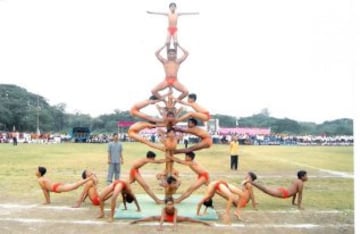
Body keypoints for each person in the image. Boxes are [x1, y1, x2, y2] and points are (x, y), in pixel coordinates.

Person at [130, 197, 210, 231]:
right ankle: (137, 221)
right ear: (165, 204)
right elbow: (162, 218)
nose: (170, 206)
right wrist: (160, 227)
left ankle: (203, 222)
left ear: (173, 204)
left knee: (187, 218)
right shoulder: (164, 208)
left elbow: (175, 219)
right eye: (168, 204)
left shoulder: (175, 209)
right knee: (153, 217)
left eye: (171, 204)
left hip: (174, 218)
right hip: (165, 218)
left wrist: (174, 227)